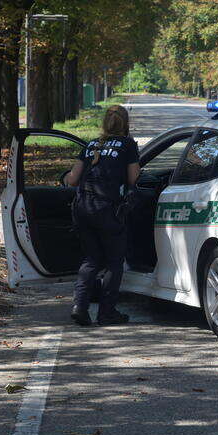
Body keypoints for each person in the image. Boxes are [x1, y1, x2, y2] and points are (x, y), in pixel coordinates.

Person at [63, 105, 140, 326]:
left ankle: (80, 307)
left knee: (91, 260)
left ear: (104, 123)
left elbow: (73, 179)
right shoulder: (127, 145)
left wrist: (67, 176)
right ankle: (107, 313)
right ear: (125, 124)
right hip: (108, 210)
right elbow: (133, 178)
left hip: (83, 208)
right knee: (114, 262)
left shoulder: (90, 145)